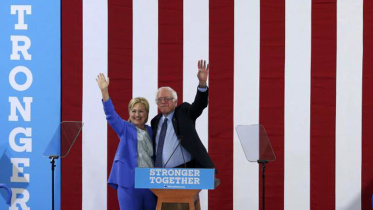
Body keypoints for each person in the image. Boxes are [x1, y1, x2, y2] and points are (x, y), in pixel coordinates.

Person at [96, 73, 156, 210]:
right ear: (129, 112)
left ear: (146, 113)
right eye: (133, 111)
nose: (137, 115)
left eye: (141, 111)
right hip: (129, 183)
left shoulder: (152, 131)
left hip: (151, 184)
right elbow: (111, 115)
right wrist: (104, 91)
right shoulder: (125, 128)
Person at [151, 60, 215, 170]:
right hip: (159, 173)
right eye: (159, 99)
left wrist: (202, 84)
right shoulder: (155, 121)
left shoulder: (184, 112)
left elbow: (199, 105)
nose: (163, 102)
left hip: (183, 171)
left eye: (167, 98)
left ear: (175, 102)